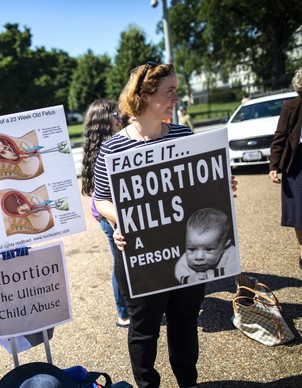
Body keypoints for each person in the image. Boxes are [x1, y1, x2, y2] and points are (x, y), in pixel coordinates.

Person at [93, 62, 238, 388]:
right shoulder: (113, 147)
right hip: (139, 256)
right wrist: (121, 219)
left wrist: (222, 188)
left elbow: (203, 191)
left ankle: (189, 382)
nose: (176, 97)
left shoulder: (184, 136)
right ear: (144, 95)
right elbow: (100, 200)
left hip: (186, 252)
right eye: (169, 91)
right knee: (143, 331)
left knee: (184, 325)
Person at [80, 98, 130, 329]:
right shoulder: (106, 149)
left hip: (114, 214)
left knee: (126, 263)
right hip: (110, 216)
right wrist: (115, 221)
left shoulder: (101, 146)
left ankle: (130, 309)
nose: (119, 117)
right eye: (114, 114)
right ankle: (124, 313)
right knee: (121, 264)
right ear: (102, 121)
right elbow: (101, 196)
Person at [269, 67, 302, 270]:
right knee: (299, 211)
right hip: (297, 163)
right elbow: (280, 136)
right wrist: (274, 165)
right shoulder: (290, 107)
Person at [174, 208, 236, 284]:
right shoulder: (186, 259)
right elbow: (179, 268)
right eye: (192, 249)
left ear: (225, 246)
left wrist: (212, 275)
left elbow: (234, 269)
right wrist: (189, 279)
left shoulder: (230, 252)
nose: (199, 257)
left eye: (209, 249)